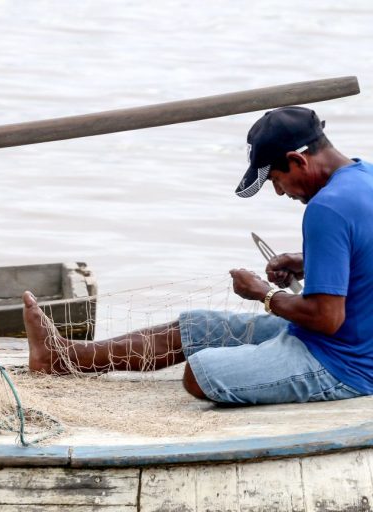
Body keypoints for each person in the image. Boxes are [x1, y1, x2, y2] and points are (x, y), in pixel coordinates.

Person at [22, 106, 373, 404]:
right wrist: (304, 262)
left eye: (275, 180)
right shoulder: (364, 177)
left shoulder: (325, 209)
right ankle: (62, 356)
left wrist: (262, 293)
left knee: (201, 372)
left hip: (346, 365)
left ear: (297, 160)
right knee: (194, 327)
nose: (280, 192)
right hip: (343, 340)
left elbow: (327, 318)